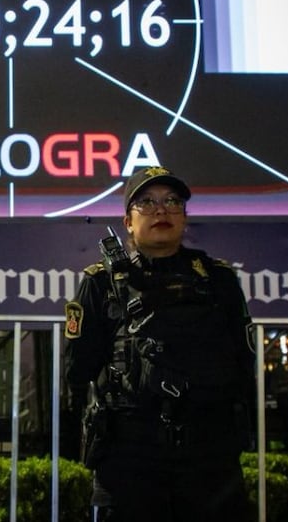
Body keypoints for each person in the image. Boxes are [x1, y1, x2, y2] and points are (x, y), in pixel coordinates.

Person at [64, 166, 256, 521]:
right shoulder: (101, 283)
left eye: (172, 201)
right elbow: (77, 371)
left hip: (209, 457)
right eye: (147, 203)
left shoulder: (219, 280)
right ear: (127, 222)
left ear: (184, 216)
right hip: (129, 457)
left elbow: (244, 365)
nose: (161, 211)